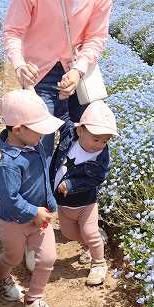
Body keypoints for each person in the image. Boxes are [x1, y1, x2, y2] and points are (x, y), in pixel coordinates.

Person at [2, 0, 112, 158]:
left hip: (79, 74)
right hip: (40, 74)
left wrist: (78, 70)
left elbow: (96, 37)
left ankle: (71, 193)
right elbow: (13, 31)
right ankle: (40, 194)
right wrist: (19, 65)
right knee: (39, 144)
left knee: (85, 139)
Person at [0, 89, 64, 307]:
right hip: (14, 222)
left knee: (48, 258)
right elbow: (10, 199)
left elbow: (43, 176)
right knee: (12, 257)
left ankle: (33, 301)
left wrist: (50, 203)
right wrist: (35, 211)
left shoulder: (35, 145)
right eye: (39, 128)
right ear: (18, 129)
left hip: (38, 217)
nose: (44, 133)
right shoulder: (8, 166)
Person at [51, 100, 118, 286]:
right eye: (96, 139)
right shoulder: (69, 136)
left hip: (86, 204)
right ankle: (96, 241)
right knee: (69, 233)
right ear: (80, 130)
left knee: (88, 232)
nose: (100, 144)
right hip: (63, 204)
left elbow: (96, 178)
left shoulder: (101, 156)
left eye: (105, 141)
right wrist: (63, 98)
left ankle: (99, 263)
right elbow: (62, 117)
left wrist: (71, 185)